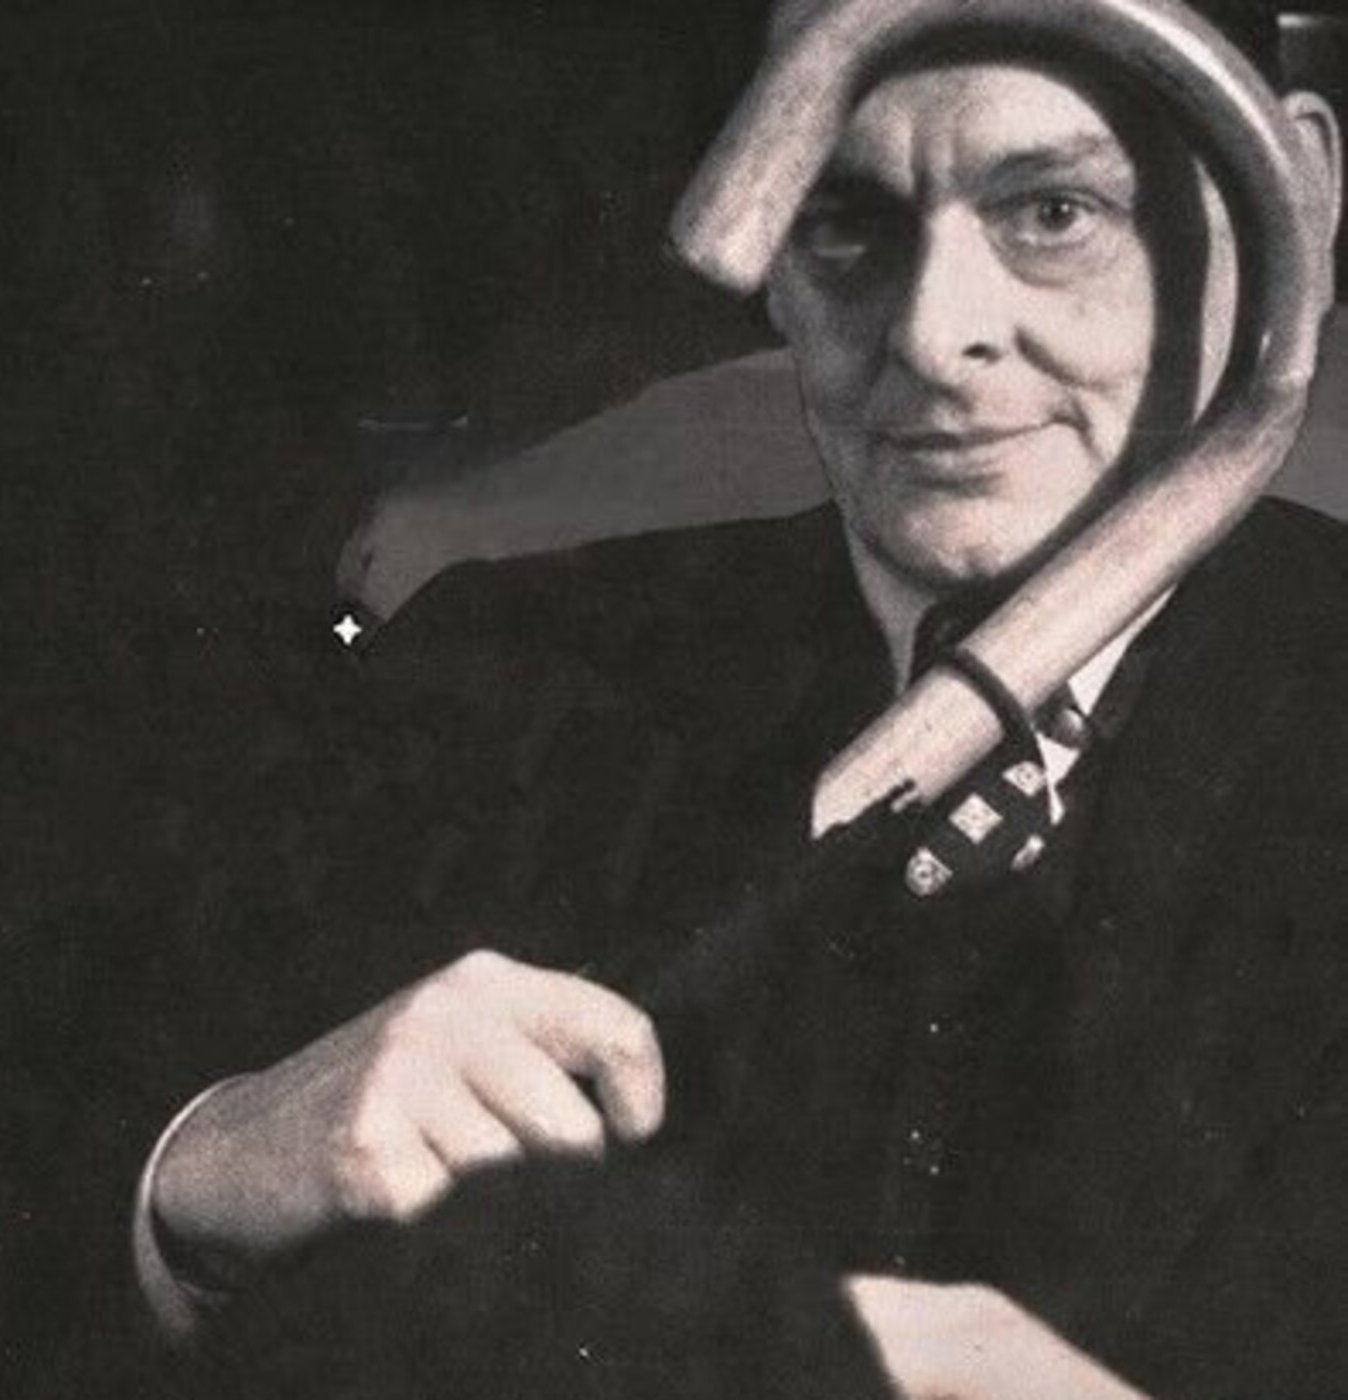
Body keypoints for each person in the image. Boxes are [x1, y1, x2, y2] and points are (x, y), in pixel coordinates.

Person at [128, 1, 1346, 1396]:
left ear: (1296, 199)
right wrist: (201, 1185)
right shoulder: (492, 672)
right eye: (842, 220)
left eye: (1054, 213)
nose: (932, 333)